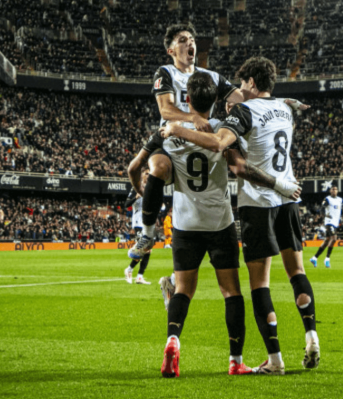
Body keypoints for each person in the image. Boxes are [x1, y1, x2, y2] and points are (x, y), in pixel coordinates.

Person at [132, 71, 299, 378]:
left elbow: (140, 167)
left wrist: (145, 187)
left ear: (188, 99)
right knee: (231, 292)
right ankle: (236, 361)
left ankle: (172, 340)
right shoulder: (223, 129)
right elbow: (237, 166)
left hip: (184, 223)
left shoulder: (169, 131)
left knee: (182, 290)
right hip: (220, 223)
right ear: (215, 101)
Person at [127, 23, 245, 261]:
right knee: (158, 168)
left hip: (203, 140)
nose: (189, 42)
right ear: (170, 51)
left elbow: (240, 98)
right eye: (182, 40)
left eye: (191, 38)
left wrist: (261, 101)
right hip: (170, 140)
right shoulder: (166, 73)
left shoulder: (210, 77)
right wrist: (191, 117)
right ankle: (148, 234)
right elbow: (166, 109)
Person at [123, 169, 151, 285]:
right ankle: (130, 270)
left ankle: (138, 276)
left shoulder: (150, 188)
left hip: (147, 223)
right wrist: (136, 197)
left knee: (147, 250)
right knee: (144, 249)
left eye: (150, 174)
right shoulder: (135, 187)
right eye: (146, 173)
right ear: (142, 175)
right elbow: (126, 205)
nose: (148, 176)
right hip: (138, 222)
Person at [310, 186, 342, 268]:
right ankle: (327, 259)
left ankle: (314, 258)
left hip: (335, 222)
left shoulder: (340, 200)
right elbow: (322, 207)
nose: (334, 191)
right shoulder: (327, 199)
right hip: (329, 222)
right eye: (332, 189)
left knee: (327, 240)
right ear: (330, 191)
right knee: (334, 238)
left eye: (335, 189)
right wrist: (324, 215)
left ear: (337, 191)